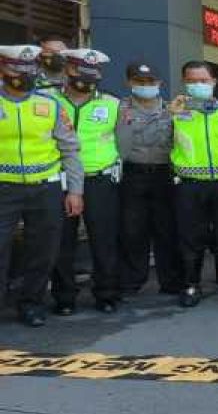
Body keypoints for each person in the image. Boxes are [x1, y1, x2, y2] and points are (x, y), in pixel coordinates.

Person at [0, 44, 83, 327]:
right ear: (3, 68)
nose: (23, 74)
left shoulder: (51, 105)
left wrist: (75, 190)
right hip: (4, 187)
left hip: (45, 188)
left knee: (43, 249)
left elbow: (70, 149)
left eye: (29, 69)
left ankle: (31, 303)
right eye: (16, 68)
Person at [49, 49, 122, 315]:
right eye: (81, 74)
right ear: (68, 70)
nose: (87, 82)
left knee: (104, 240)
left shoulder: (112, 104)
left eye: (93, 76)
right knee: (61, 241)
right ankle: (64, 297)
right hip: (59, 179)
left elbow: (124, 141)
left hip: (99, 179)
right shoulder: (50, 101)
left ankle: (107, 293)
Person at [169, 61, 218, 308]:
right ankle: (191, 285)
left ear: (214, 82)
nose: (197, 85)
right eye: (191, 81)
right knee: (190, 238)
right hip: (188, 185)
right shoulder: (175, 112)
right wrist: (167, 115)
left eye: (203, 80)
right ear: (184, 83)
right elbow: (159, 143)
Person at [116, 61, 184, 297]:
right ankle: (131, 281)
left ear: (160, 84)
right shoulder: (120, 109)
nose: (146, 86)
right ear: (130, 83)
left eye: (150, 82)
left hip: (165, 174)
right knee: (132, 230)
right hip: (132, 174)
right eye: (140, 82)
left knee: (167, 229)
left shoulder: (174, 109)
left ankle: (171, 281)